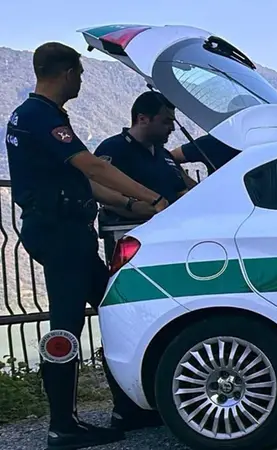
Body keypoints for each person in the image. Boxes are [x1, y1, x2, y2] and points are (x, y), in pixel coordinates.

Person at [4, 42, 168, 450]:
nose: (81, 80)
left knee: (115, 308)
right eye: (79, 73)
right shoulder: (40, 116)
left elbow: (85, 181)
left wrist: (134, 204)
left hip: (65, 229)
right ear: (67, 73)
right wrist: (155, 199)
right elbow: (91, 167)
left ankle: (126, 408)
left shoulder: (32, 116)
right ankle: (62, 426)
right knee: (66, 325)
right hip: (60, 233)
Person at [94, 91, 197, 221]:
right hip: (129, 233)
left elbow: (182, 191)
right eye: (166, 122)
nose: (172, 128)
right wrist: (133, 207)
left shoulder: (164, 155)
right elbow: (100, 193)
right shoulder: (112, 150)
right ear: (143, 119)